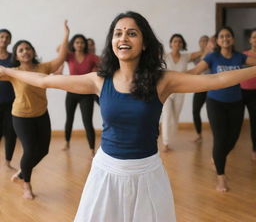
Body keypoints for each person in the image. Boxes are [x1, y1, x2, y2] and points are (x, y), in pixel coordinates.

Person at [1, 12, 256, 220]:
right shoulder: (99, 81)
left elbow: (217, 79)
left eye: (131, 33)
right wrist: (10, 73)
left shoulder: (162, 80)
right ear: (112, 42)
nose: (123, 37)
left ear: (144, 43)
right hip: (106, 172)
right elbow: (45, 80)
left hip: (147, 172)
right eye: (118, 33)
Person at [0, 21, 69, 199]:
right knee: (30, 150)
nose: (25, 51)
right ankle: (27, 186)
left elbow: (61, 58)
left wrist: (66, 35)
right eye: (21, 50)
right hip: (21, 117)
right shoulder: (13, 72)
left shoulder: (42, 68)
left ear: (33, 52)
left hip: (41, 115)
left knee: (43, 150)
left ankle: (22, 173)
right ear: (16, 55)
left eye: (28, 48)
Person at [188, 26, 256, 192]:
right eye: (222, 36)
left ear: (232, 39)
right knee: (220, 139)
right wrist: (172, 77)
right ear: (217, 41)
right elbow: (196, 71)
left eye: (228, 36)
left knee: (232, 139)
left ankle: (217, 156)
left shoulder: (240, 57)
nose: (225, 39)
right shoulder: (212, 57)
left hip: (236, 103)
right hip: (215, 103)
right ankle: (221, 177)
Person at [161, 33, 202, 152]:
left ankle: (170, 136)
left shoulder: (186, 57)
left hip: (180, 90)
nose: (177, 43)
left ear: (182, 44)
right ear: (170, 44)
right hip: (166, 91)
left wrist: (207, 46)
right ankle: (166, 143)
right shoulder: (165, 56)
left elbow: (200, 52)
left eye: (179, 41)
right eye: (175, 41)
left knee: (175, 116)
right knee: (167, 115)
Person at [62, 34, 99, 156]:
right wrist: (66, 35)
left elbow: (105, 64)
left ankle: (92, 150)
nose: (79, 44)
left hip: (86, 94)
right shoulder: (69, 56)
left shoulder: (91, 57)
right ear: (73, 44)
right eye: (77, 42)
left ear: (85, 45)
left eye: (82, 42)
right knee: (69, 119)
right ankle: (67, 142)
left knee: (87, 122)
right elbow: (59, 49)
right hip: (71, 92)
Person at [192, 35, 216, 142]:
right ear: (199, 43)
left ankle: (217, 135)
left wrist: (208, 50)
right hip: (200, 87)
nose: (204, 42)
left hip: (212, 87)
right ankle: (199, 135)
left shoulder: (214, 55)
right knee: (195, 111)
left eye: (206, 40)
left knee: (212, 113)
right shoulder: (197, 56)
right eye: (202, 40)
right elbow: (198, 67)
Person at [0, 29, 17, 169]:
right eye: (1, 37)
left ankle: (7, 161)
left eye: (7, 37)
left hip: (12, 101)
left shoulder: (14, 58)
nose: (4, 39)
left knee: (11, 132)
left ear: (10, 41)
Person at [240, 29, 256, 161]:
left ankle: (254, 149)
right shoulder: (243, 55)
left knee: (254, 123)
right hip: (240, 92)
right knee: (235, 123)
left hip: (255, 94)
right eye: (254, 37)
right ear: (250, 40)